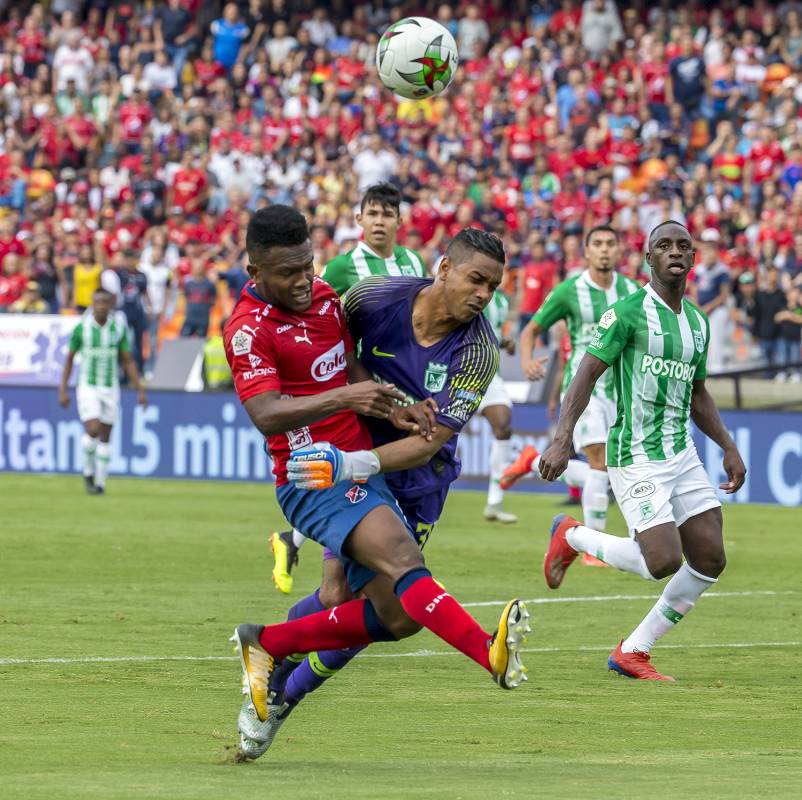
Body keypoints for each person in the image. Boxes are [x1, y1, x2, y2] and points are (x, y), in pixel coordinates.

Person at [224, 207, 529, 754]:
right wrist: (350, 404)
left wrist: (393, 409)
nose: (305, 280)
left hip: (402, 474)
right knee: (396, 572)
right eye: (289, 272)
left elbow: (355, 371)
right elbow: (268, 412)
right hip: (320, 469)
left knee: (390, 613)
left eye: (308, 266)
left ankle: (268, 650)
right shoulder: (261, 326)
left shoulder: (332, 300)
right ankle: (486, 652)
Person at [538, 220, 746, 680]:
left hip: (682, 453)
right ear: (649, 258)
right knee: (662, 561)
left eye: (683, 246)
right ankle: (572, 535)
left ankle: (633, 650)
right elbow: (585, 375)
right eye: (663, 246)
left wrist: (728, 446)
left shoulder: (697, 323)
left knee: (710, 558)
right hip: (635, 453)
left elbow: (698, 393)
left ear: (693, 258)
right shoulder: (627, 313)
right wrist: (562, 439)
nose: (675, 252)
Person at [270, 183, 427, 593]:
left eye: (387, 214)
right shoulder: (341, 268)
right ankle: (353, 579)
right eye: (372, 213)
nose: (379, 221)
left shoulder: (413, 262)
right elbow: (313, 315)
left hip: (399, 387)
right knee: (357, 477)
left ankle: (296, 545)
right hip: (358, 387)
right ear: (359, 219)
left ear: (399, 221)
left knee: (370, 478)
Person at [503, 225, 639, 565]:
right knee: (599, 461)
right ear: (587, 252)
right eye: (598, 244)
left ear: (619, 251)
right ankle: (593, 548)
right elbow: (531, 329)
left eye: (610, 243)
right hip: (584, 388)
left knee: (609, 469)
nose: (604, 249)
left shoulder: (632, 291)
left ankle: (531, 461)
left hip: (621, 389)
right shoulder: (569, 290)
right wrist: (527, 360)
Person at [58, 288, 147, 495]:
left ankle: (100, 483)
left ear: (110, 305)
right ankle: (87, 471)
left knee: (106, 435)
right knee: (93, 429)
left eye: (104, 303)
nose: (100, 307)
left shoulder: (118, 328)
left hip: (110, 387)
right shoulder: (82, 328)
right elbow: (69, 359)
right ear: (92, 303)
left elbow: (127, 360)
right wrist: (63, 389)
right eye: (97, 302)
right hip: (88, 385)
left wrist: (140, 389)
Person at [478, 277, 519, 523]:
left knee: (503, 425)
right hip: (457, 371)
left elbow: (491, 334)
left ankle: (494, 502)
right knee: (440, 433)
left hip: (489, 374)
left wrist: (505, 342)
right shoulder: (468, 291)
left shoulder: (501, 301)